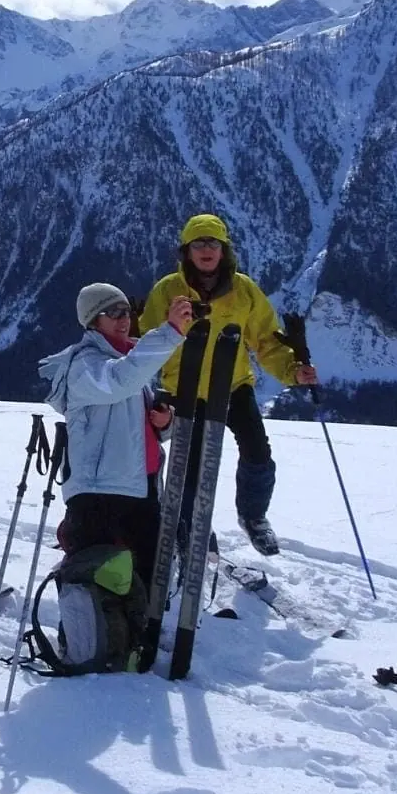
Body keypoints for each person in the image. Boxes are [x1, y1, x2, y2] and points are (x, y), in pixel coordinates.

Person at [138, 214, 316, 556]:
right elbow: (148, 339)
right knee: (188, 466)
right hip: (184, 390)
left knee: (257, 451)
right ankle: (186, 526)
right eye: (198, 244)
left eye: (213, 243)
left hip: (232, 385)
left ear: (224, 249)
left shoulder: (244, 290)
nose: (206, 250)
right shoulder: (168, 291)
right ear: (186, 251)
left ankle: (253, 517)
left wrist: (293, 371)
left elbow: (265, 339)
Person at [39, 284, 195, 580]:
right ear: (92, 321)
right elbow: (119, 382)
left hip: (141, 487)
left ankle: (142, 628)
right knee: (99, 585)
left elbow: (132, 427)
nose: (123, 319)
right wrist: (171, 331)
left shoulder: (130, 358)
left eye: (126, 311)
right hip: (102, 495)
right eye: (112, 313)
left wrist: (163, 423)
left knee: (142, 584)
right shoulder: (85, 365)